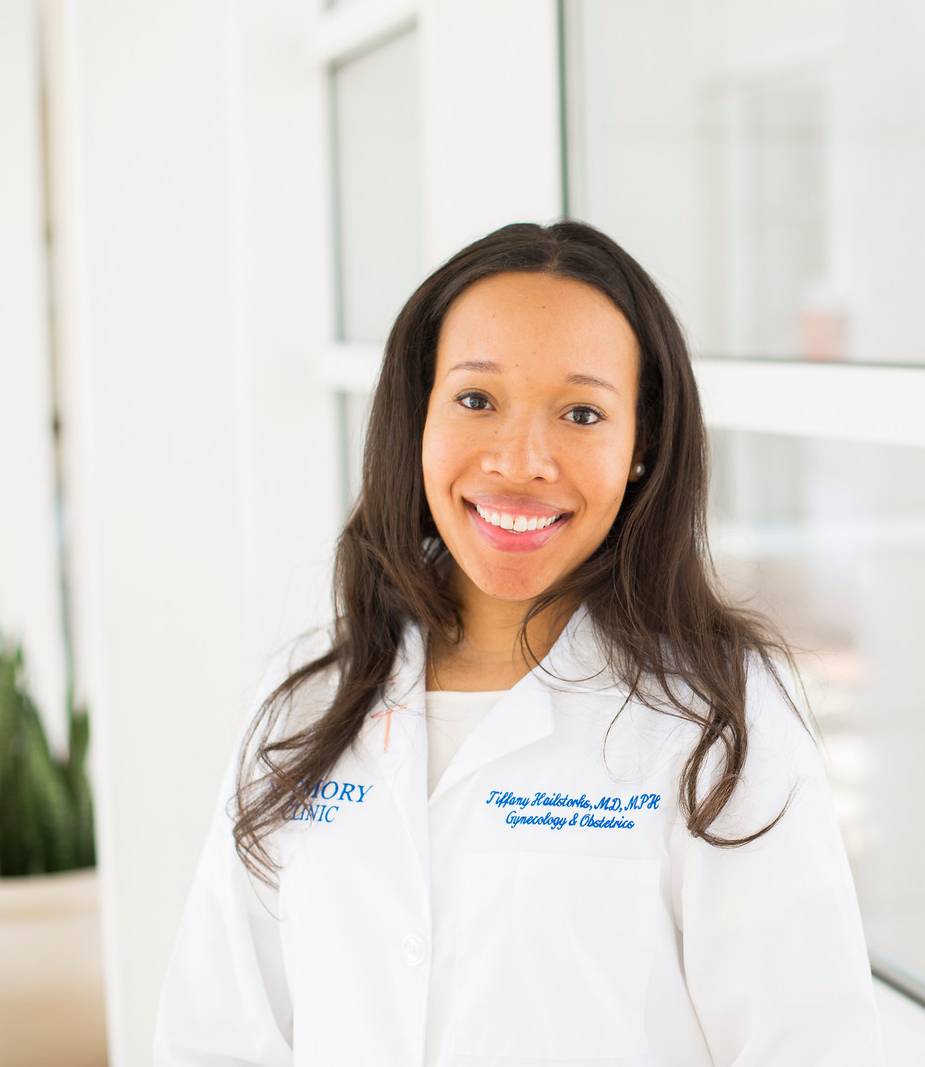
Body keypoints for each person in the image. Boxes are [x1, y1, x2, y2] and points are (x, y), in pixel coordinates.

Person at [154, 220, 886, 1065]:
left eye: (581, 413)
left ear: (641, 444)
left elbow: (808, 1044)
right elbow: (214, 1031)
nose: (520, 459)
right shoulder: (305, 700)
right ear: (416, 414)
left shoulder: (718, 715)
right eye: (475, 399)